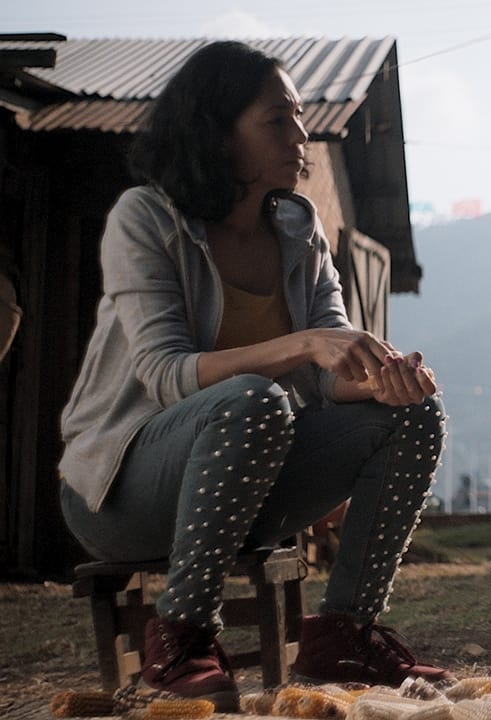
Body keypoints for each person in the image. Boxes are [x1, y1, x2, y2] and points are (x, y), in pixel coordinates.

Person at [58, 41, 451, 710]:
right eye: (277, 119)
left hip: (246, 479)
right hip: (122, 493)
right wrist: (306, 344)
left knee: (413, 414)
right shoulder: (146, 219)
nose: (300, 135)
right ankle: (183, 634)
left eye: (298, 117)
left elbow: (327, 374)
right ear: (216, 133)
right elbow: (166, 373)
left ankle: (345, 632)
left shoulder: (300, 232)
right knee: (253, 399)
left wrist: (380, 380)